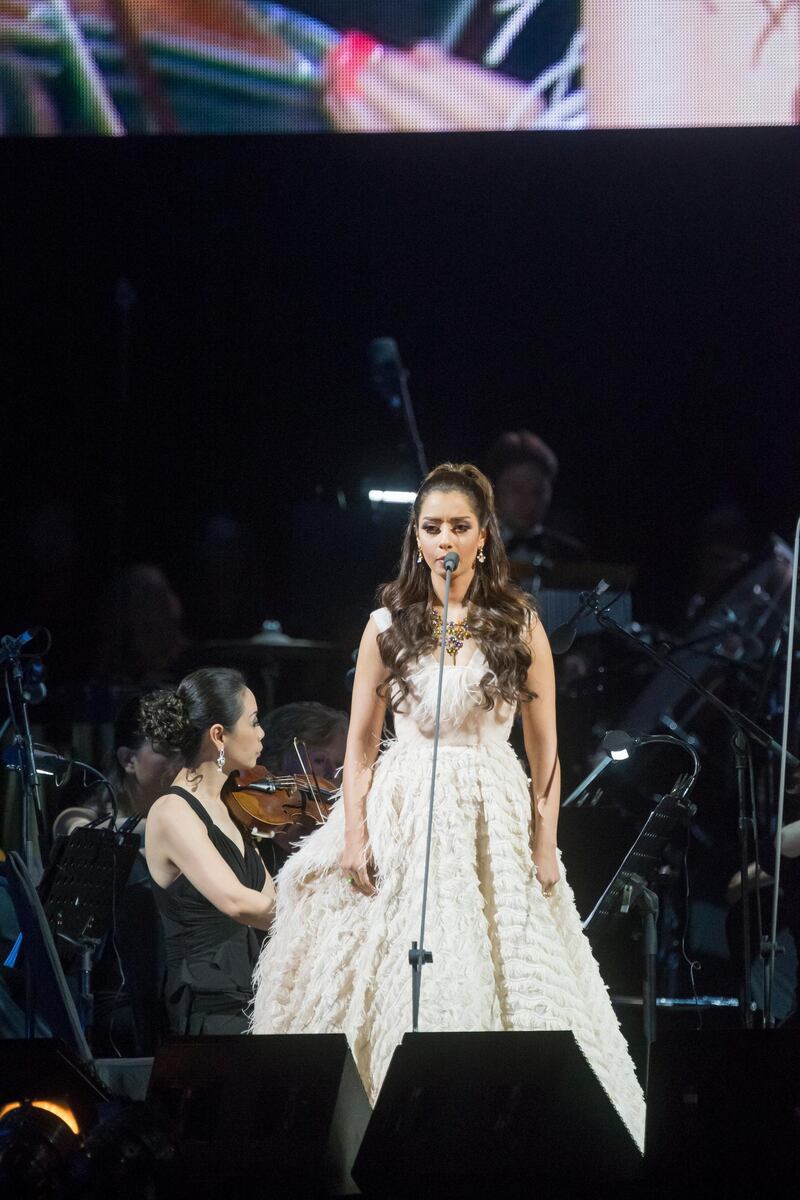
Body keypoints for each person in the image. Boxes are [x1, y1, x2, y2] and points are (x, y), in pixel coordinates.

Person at [251, 462, 645, 1149]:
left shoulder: (518, 624)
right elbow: (362, 747)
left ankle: (497, 1129)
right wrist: (353, 835)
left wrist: (546, 842)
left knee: (502, 962)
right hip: (407, 806)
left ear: (484, 536)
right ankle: (379, 1126)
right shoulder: (386, 625)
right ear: (417, 537)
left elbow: (545, 749)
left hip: (489, 803)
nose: (445, 539)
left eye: (459, 526)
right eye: (432, 527)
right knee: (392, 957)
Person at [142, 668, 275, 1034]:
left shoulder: (230, 809)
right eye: (254, 721)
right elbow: (239, 904)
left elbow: (269, 900)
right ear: (219, 735)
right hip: (206, 1005)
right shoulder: (172, 812)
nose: (262, 733)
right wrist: (323, 919)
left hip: (248, 993)